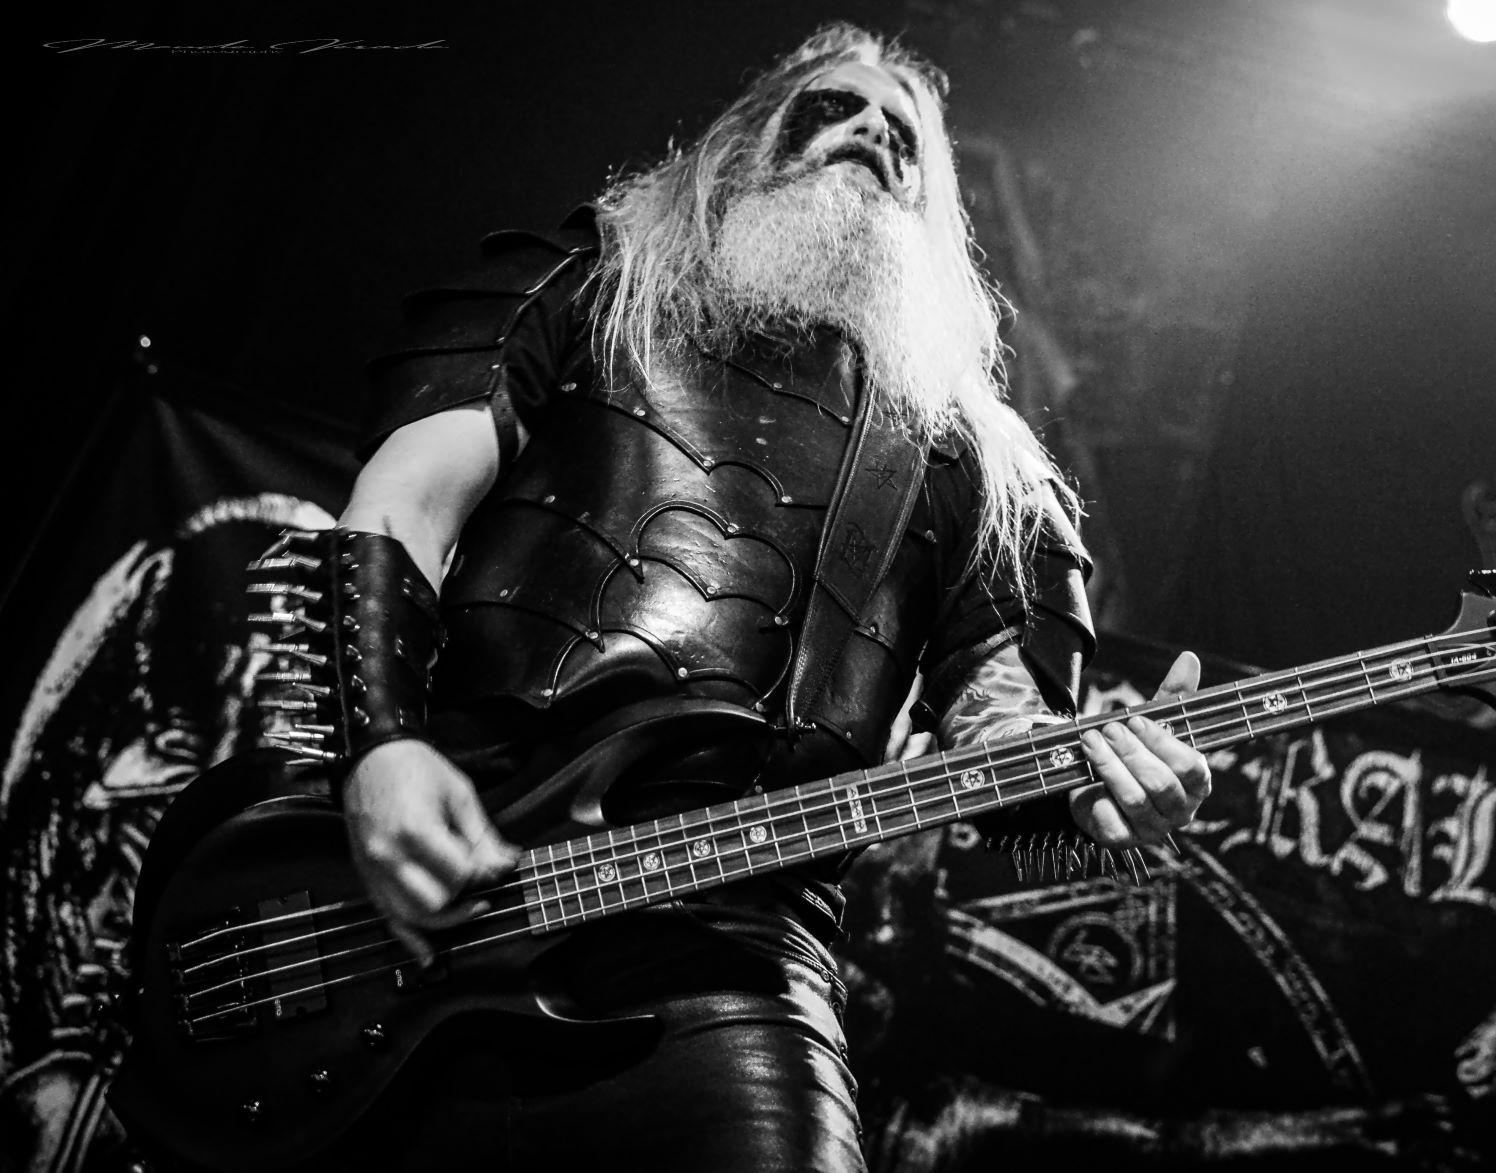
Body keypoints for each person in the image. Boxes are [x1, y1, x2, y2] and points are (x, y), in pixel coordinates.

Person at [250, 22, 1211, 1172]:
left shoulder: (987, 467)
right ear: (742, 142)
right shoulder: (591, 278)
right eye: (831, 108)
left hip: (735, 951)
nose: (871, 135)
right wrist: (380, 754)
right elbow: (400, 506)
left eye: (904, 138)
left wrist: (1094, 783)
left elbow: (1002, 729)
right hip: (446, 885)